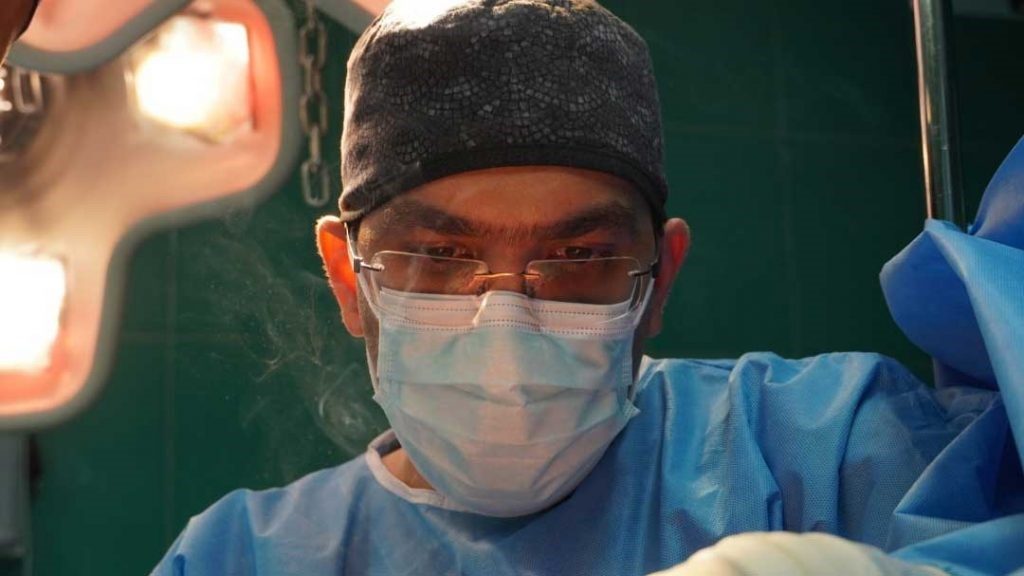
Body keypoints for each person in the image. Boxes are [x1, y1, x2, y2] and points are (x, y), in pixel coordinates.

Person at [3, 1, 1021, 575]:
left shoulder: (821, 447)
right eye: (438, 259)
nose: (504, 321)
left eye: (576, 261)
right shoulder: (242, 558)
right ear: (347, 278)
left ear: (658, 278)